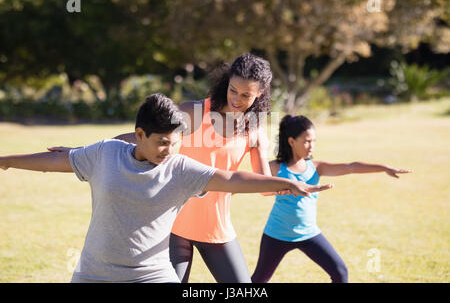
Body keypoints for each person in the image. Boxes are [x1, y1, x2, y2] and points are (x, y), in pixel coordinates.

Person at [0, 94, 333, 283]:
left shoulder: (180, 168)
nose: (169, 150)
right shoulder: (105, 153)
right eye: (162, 143)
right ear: (139, 134)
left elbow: (232, 179)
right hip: (94, 274)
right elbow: (57, 162)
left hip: (151, 276)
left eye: (175, 143)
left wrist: (285, 182)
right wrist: (6, 160)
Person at [113, 53, 276, 283]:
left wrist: (290, 182)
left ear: (260, 93)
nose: (236, 99)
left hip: (215, 226)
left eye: (246, 95)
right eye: (233, 90)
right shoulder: (194, 113)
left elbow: (265, 186)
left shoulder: (254, 129)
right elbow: (146, 138)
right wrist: (85, 151)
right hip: (172, 225)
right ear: (226, 82)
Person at [251, 115, 412, 283]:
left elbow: (351, 167)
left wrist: (383, 168)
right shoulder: (275, 167)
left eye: (314, 141)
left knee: (340, 273)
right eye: (306, 141)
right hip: (277, 234)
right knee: (258, 281)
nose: (311, 146)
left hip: (309, 233)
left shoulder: (316, 167)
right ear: (291, 141)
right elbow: (258, 187)